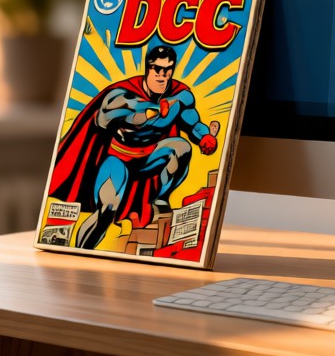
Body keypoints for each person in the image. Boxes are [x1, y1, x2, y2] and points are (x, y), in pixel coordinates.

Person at [49, 45, 218, 250]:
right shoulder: (123, 93)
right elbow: (107, 116)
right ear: (148, 68)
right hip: (118, 159)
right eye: (157, 69)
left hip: (150, 157)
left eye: (168, 70)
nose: (162, 76)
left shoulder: (178, 96)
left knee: (181, 148)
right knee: (107, 211)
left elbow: (192, 123)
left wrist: (204, 137)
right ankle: (80, 251)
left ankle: (161, 199)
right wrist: (154, 109)